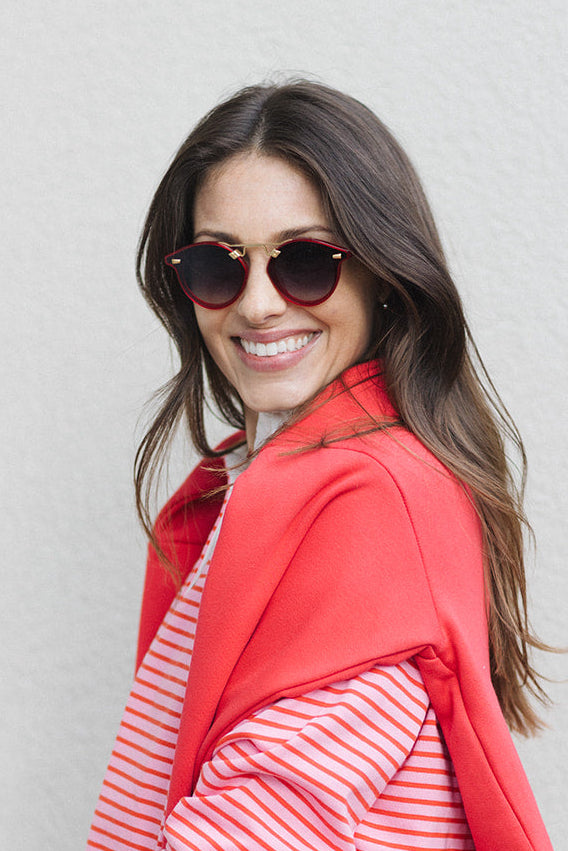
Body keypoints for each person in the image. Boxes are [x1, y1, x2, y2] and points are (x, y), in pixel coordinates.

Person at [87, 81, 553, 850]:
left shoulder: (366, 500)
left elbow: (264, 818)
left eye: (306, 260)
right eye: (217, 264)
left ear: (382, 274)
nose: (260, 304)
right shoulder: (257, 481)